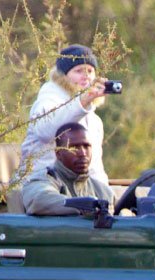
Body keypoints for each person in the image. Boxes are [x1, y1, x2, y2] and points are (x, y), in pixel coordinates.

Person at [20, 44, 110, 182]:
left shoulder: (94, 121)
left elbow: (95, 169)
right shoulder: (47, 101)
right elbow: (46, 133)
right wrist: (82, 102)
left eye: (90, 71)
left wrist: (107, 198)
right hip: (41, 183)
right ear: (63, 76)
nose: (86, 77)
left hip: (79, 190)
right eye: (79, 71)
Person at [22, 122, 114, 216]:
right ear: (58, 153)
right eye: (74, 147)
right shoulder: (42, 179)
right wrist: (86, 206)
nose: (82, 153)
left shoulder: (102, 190)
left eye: (86, 146)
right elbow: (39, 201)